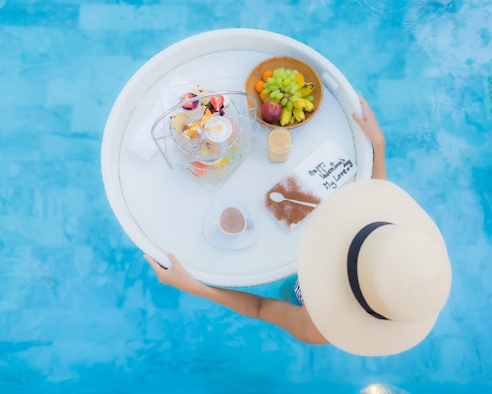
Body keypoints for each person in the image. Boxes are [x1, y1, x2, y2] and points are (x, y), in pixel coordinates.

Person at [145, 97, 451, 355]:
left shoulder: (318, 326)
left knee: (291, 291)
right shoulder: (394, 250)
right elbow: (380, 195)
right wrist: (379, 146)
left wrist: (196, 288)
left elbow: (262, 308)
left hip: (303, 295)